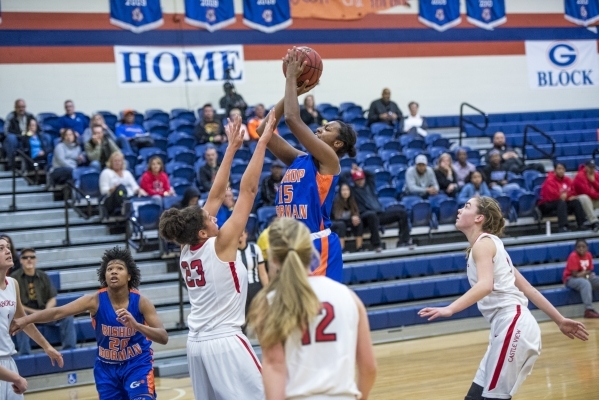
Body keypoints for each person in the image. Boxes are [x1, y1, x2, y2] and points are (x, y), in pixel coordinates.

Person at [418, 196, 589, 400]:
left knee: (493, 398)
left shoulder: (484, 245)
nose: (459, 210)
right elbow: (528, 288)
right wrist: (559, 320)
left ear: (479, 217)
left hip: (513, 324)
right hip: (506, 327)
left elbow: (485, 285)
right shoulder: (493, 246)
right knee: (474, 397)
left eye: (467, 206)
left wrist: (450, 308)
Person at [157, 111, 275, 400]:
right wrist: (261, 142)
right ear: (201, 232)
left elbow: (216, 194)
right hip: (225, 341)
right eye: (209, 220)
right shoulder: (221, 244)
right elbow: (247, 191)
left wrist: (232, 148)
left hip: (196, 344)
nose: (215, 219)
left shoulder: (186, 247)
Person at [255, 47, 357, 283]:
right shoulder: (300, 159)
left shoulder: (329, 161)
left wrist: (291, 78)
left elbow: (292, 119)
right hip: (290, 244)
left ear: (338, 143)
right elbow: (263, 131)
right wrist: (292, 93)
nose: (320, 128)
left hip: (315, 244)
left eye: (328, 129)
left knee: (318, 312)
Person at [11, 247, 168, 400]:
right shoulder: (94, 300)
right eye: (109, 269)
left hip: (137, 365)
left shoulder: (141, 302)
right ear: (104, 276)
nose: (114, 271)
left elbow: (163, 337)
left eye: (119, 268)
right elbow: (58, 312)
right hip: (106, 369)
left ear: (129, 276)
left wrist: (138, 326)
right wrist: (25, 319)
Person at [247, 217, 377, 400]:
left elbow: (275, 366)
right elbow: (368, 366)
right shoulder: (349, 297)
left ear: (274, 258)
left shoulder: (270, 302)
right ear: (311, 250)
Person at [0, 238, 63, 400]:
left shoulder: (13, 284)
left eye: (8, 247)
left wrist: (47, 346)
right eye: (1, 248)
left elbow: (24, 321)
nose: (8, 251)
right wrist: (16, 379)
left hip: (8, 362)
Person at [11, 248, 76, 355]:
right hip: (26, 314)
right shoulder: (14, 278)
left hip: (43, 312)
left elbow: (52, 298)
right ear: (21, 260)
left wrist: (46, 311)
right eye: (25, 257)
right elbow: (16, 303)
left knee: (67, 315)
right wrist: (34, 313)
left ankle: (69, 351)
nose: (29, 259)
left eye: (32, 257)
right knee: (20, 318)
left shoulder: (43, 276)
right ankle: (25, 354)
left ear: (36, 259)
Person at [348, 166, 411, 252]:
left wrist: (361, 170)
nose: (360, 181)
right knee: (372, 215)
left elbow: (371, 175)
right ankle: (376, 244)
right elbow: (343, 180)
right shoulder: (352, 190)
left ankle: (404, 240)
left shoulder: (369, 186)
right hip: (364, 216)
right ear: (354, 181)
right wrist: (350, 172)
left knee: (402, 213)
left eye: (361, 179)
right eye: (357, 180)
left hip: (378, 214)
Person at [539, 162, 592, 232]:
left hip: (562, 202)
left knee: (575, 202)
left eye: (563, 169)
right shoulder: (549, 181)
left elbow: (573, 191)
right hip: (547, 204)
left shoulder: (567, 180)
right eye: (559, 169)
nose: (561, 171)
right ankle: (563, 227)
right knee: (561, 202)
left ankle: (581, 224)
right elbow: (552, 195)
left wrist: (566, 196)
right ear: (555, 170)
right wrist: (566, 196)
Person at [99, 152, 148, 216]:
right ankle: (124, 205)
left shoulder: (127, 173)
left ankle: (128, 207)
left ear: (122, 162)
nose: (117, 163)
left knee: (139, 194)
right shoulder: (106, 172)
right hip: (112, 200)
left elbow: (134, 186)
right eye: (115, 161)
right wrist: (113, 189)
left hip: (129, 197)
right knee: (120, 189)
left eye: (119, 161)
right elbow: (103, 190)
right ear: (111, 162)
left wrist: (139, 190)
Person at [563, 239, 599, 318]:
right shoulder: (573, 256)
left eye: (583, 247)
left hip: (583, 277)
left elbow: (589, 270)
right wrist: (586, 274)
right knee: (585, 283)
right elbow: (575, 274)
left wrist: (586, 274)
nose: (581, 248)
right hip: (570, 279)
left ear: (587, 248)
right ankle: (588, 310)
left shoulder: (589, 255)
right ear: (575, 248)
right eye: (579, 247)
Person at [237, 228, 267, 318]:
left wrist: (267, 291)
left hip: (255, 286)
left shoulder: (255, 248)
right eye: (237, 235)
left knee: (260, 317)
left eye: (241, 235)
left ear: (246, 235)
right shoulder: (231, 252)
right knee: (243, 320)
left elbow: (263, 273)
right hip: (240, 289)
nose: (239, 238)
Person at [331, 182, 364, 252]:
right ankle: (341, 249)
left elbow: (356, 212)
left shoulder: (352, 200)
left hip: (347, 221)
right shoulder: (336, 200)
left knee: (358, 222)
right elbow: (337, 216)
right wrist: (352, 217)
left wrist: (355, 217)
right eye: (343, 190)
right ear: (340, 191)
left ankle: (359, 247)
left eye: (347, 190)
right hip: (335, 221)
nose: (345, 192)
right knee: (341, 224)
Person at [3, 99, 35, 169]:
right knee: (11, 138)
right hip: (16, 139)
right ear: (15, 108)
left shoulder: (30, 116)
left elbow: (37, 128)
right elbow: (6, 131)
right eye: (19, 107)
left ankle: (36, 164)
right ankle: (11, 164)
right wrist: (21, 134)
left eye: (23, 107)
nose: (21, 109)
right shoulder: (11, 117)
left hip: (27, 138)